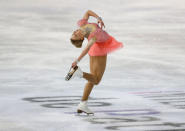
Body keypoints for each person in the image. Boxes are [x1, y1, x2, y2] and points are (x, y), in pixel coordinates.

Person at [67, 10, 123, 115]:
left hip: (95, 50)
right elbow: (87, 48)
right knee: (96, 80)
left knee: (92, 79)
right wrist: (77, 60)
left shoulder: (82, 24)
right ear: (80, 39)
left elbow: (88, 12)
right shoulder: (92, 35)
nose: (74, 32)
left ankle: (82, 104)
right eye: (75, 35)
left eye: (73, 33)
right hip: (98, 51)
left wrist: (98, 18)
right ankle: (80, 73)